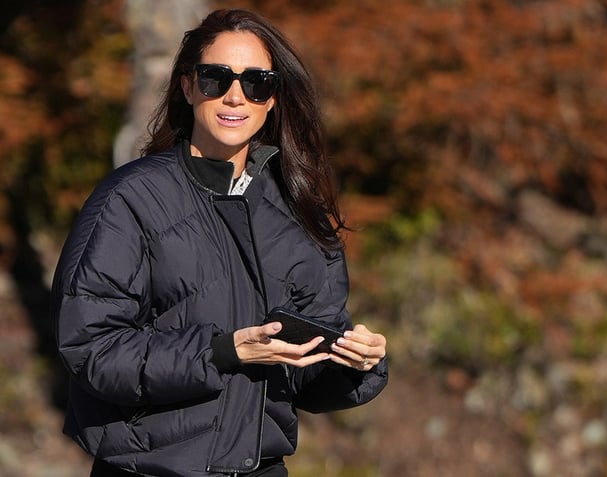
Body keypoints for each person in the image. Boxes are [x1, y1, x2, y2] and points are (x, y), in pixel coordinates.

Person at [50, 8, 388, 477]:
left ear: (273, 99)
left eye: (256, 83)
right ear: (187, 87)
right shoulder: (130, 198)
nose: (235, 96)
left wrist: (356, 362)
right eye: (215, 78)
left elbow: (305, 376)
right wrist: (221, 351)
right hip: (149, 469)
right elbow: (92, 350)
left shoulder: (299, 210)